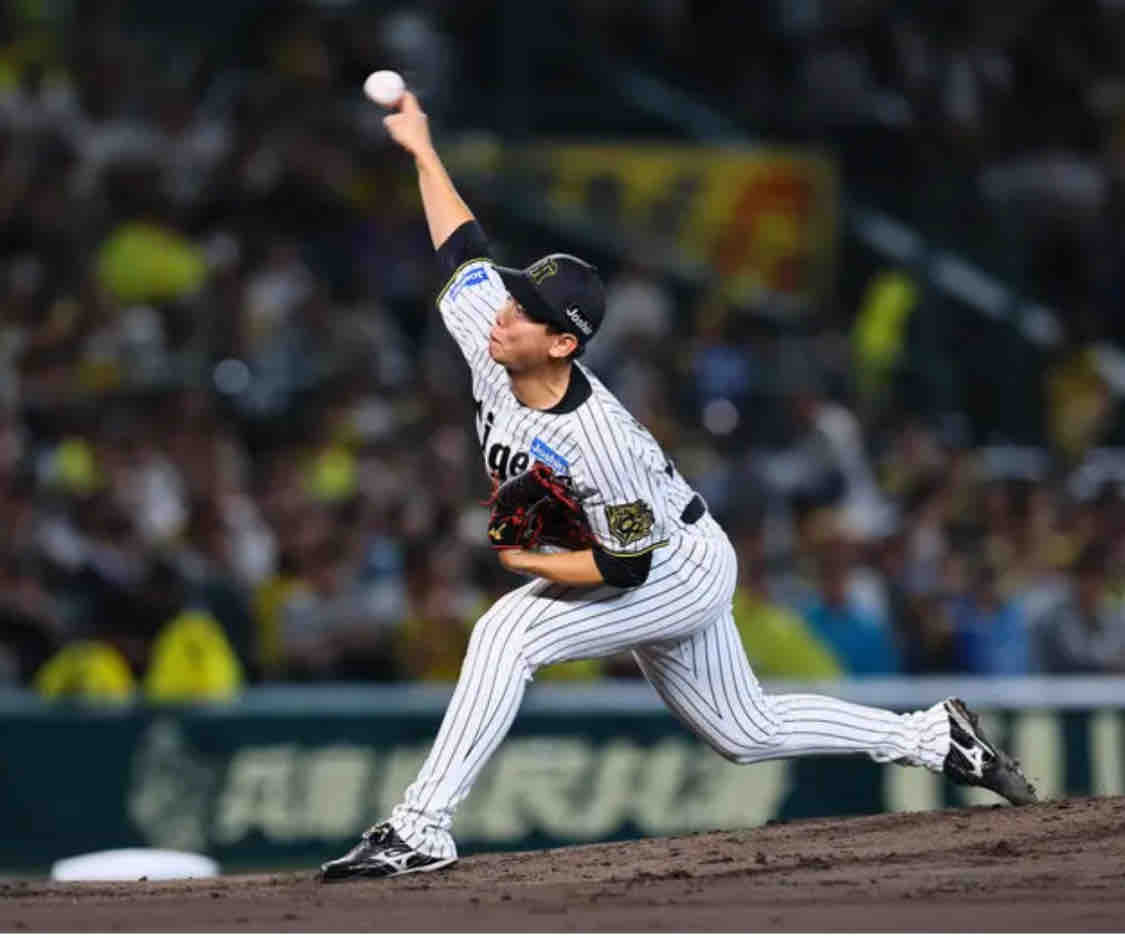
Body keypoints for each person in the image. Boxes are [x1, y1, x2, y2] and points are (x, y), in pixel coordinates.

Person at [320, 89, 1037, 881]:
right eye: (513, 297)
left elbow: (624, 568)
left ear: (561, 343)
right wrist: (423, 150)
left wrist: (528, 563)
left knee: (505, 635)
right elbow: (463, 248)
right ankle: (930, 737)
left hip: (671, 567)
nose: (503, 311)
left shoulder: (597, 441)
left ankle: (421, 828)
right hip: (653, 546)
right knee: (744, 731)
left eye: (525, 310)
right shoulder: (492, 326)